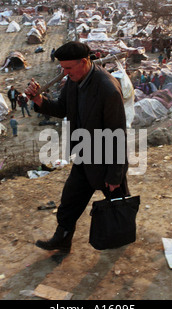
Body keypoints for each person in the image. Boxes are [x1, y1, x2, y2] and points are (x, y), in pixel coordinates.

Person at [24, 41, 129, 253]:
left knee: (117, 203)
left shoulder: (108, 89)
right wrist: (38, 99)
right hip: (83, 155)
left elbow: (118, 134)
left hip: (106, 159)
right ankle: (62, 239)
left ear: (84, 62)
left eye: (68, 68)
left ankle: (123, 240)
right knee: (69, 202)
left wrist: (115, 174)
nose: (64, 73)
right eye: (63, 68)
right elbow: (62, 108)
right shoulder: (73, 81)